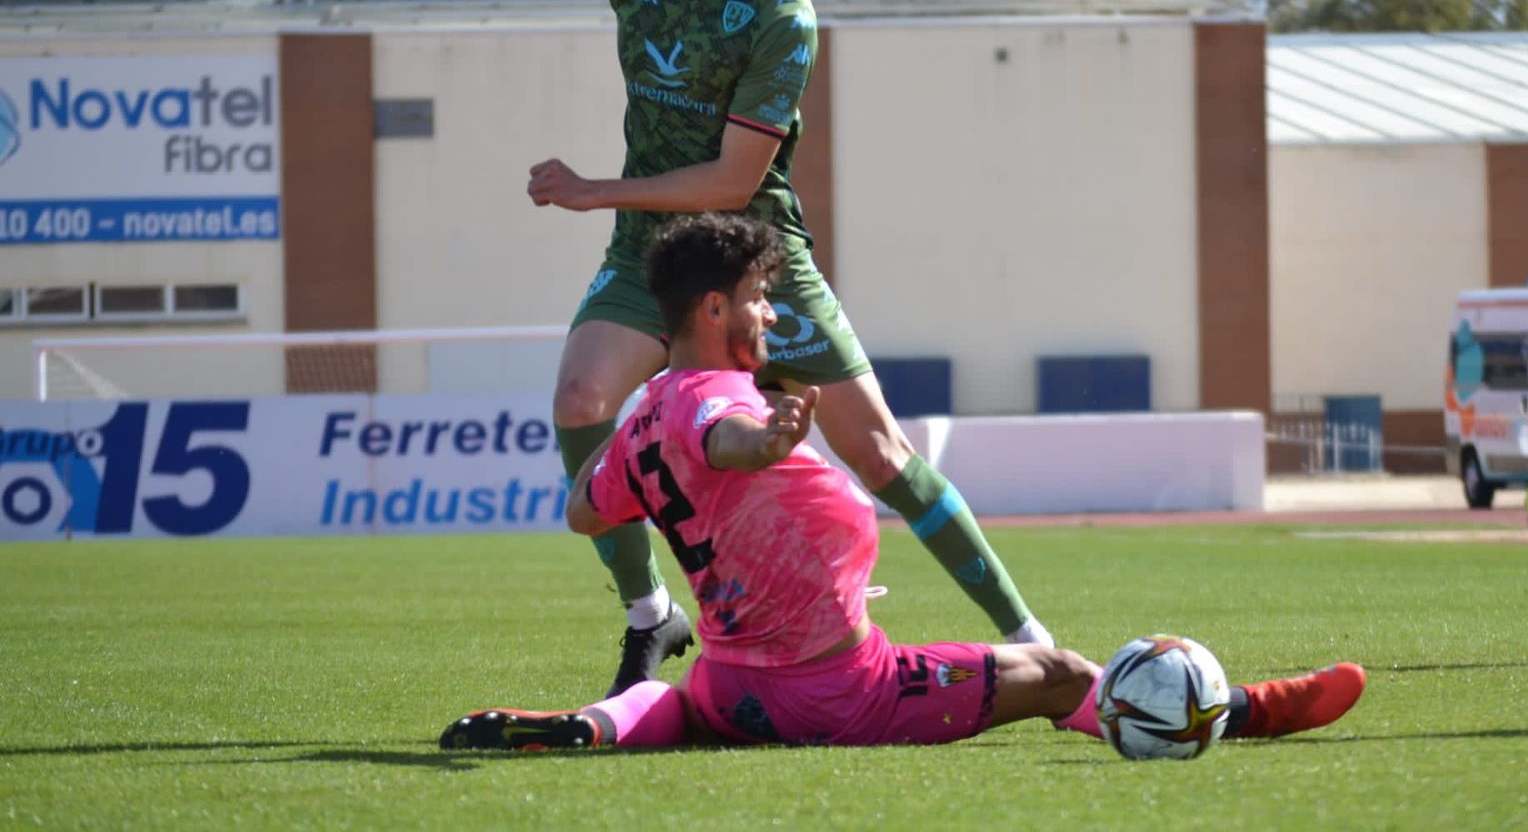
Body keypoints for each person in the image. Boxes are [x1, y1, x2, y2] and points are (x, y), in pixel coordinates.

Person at [441, 214, 1367, 752]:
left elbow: (579, 508)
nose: (770, 312)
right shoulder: (719, 401)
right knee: (1058, 673)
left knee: (683, 708)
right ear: (714, 308)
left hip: (733, 682)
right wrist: (762, 443)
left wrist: (651, 467)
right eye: (760, 299)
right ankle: (1244, 711)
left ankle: (599, 725)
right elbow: (724, 441)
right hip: (840, 687)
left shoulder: (645, 409)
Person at [527, 0, 1050, 699]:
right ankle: (650, 610)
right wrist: (614, 204)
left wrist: (595, 188)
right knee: (580, 400)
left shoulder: (784, 19)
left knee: (880, 453)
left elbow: (735, 180)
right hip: (650, 254)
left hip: (756, 253)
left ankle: (1032, 635)